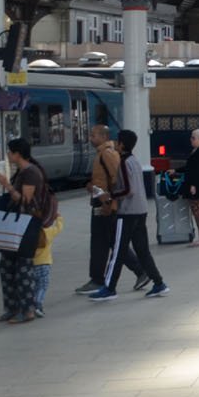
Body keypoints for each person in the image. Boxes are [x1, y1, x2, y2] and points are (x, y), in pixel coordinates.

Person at [90, 129, 168, 300]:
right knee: (142, 251)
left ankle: (109, 288)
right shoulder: (135, 161)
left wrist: (109, 195)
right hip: (141, 211)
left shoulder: (124, 162)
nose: (114, 143)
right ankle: (159, 283)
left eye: (117, 141)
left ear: (122, 144)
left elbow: (127, 190)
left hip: (127, 213)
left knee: (118, 251)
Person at [0, 139, 57, 324]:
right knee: (7, 266)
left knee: (23, 268)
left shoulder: (31, 173)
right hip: (16, 224)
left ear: (17, 154)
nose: (8, 155)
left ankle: (28, 309)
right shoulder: (22, 171)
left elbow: (26, 201)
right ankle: (12, 308)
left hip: (27, 225)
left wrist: (6, 185)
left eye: (10, 152)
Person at [77, 124, 123, 294]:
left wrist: (108, 203)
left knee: (100, 243)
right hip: (102, 203)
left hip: (105, 205)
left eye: (93, 135)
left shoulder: (107, 154)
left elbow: (117, 180)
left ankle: (97, 280)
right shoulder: (103, 153)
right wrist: (93, 186)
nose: (90, 138)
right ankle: (141, 271)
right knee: (109, 241)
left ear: (103, 137)